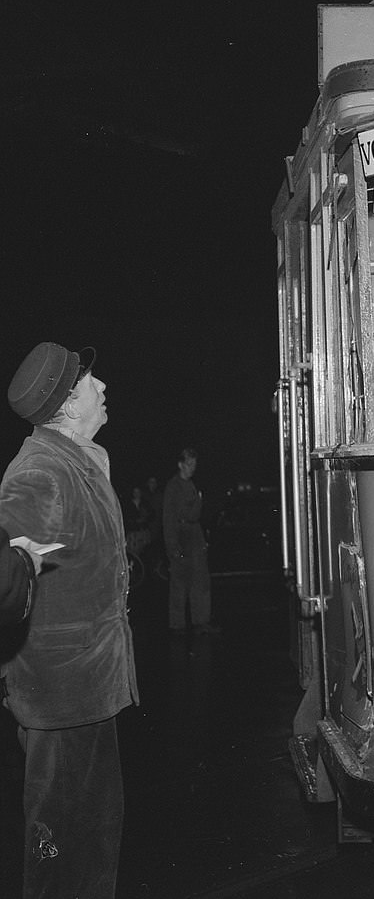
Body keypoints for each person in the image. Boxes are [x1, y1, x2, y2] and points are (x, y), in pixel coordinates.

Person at [0, 341, 138, 899]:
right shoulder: (40, 472)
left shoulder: (76, 458)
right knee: (61, 846)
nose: (103, 389)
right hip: (59, 695)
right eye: (90, 384)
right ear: (64, 405)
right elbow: (8, 572)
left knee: (94, 837)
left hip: (89, 688)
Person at [164, 447, 218, 635]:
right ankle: (177, 625)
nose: (192, 468)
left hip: (194, 534)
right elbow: (169, 518)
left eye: (194, 464)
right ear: (180, 465)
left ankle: (201, 622)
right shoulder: (173, 486)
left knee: (200, 581)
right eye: (189, 464)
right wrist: (172, 546)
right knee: (179, 582)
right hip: (180, 534)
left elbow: (196, 513)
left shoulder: (192, 485)